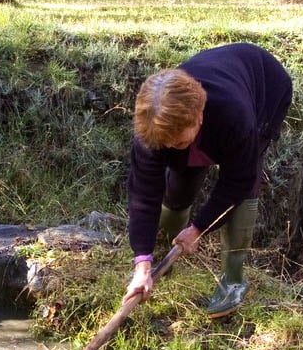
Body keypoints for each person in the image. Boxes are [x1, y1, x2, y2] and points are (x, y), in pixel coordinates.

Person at [122, 43, 292, 318]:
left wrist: (198, 228)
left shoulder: (234, 116)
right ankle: (163, 262)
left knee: (245, 186)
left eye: (178, 140)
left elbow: (236, 180)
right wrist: (142, 261)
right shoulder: (153, 131)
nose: (172, 146)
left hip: (265, 89)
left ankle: (233, 279)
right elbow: (144, 194)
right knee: (180, 178)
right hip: (214, 104)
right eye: (166, 143)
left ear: (199, 116)